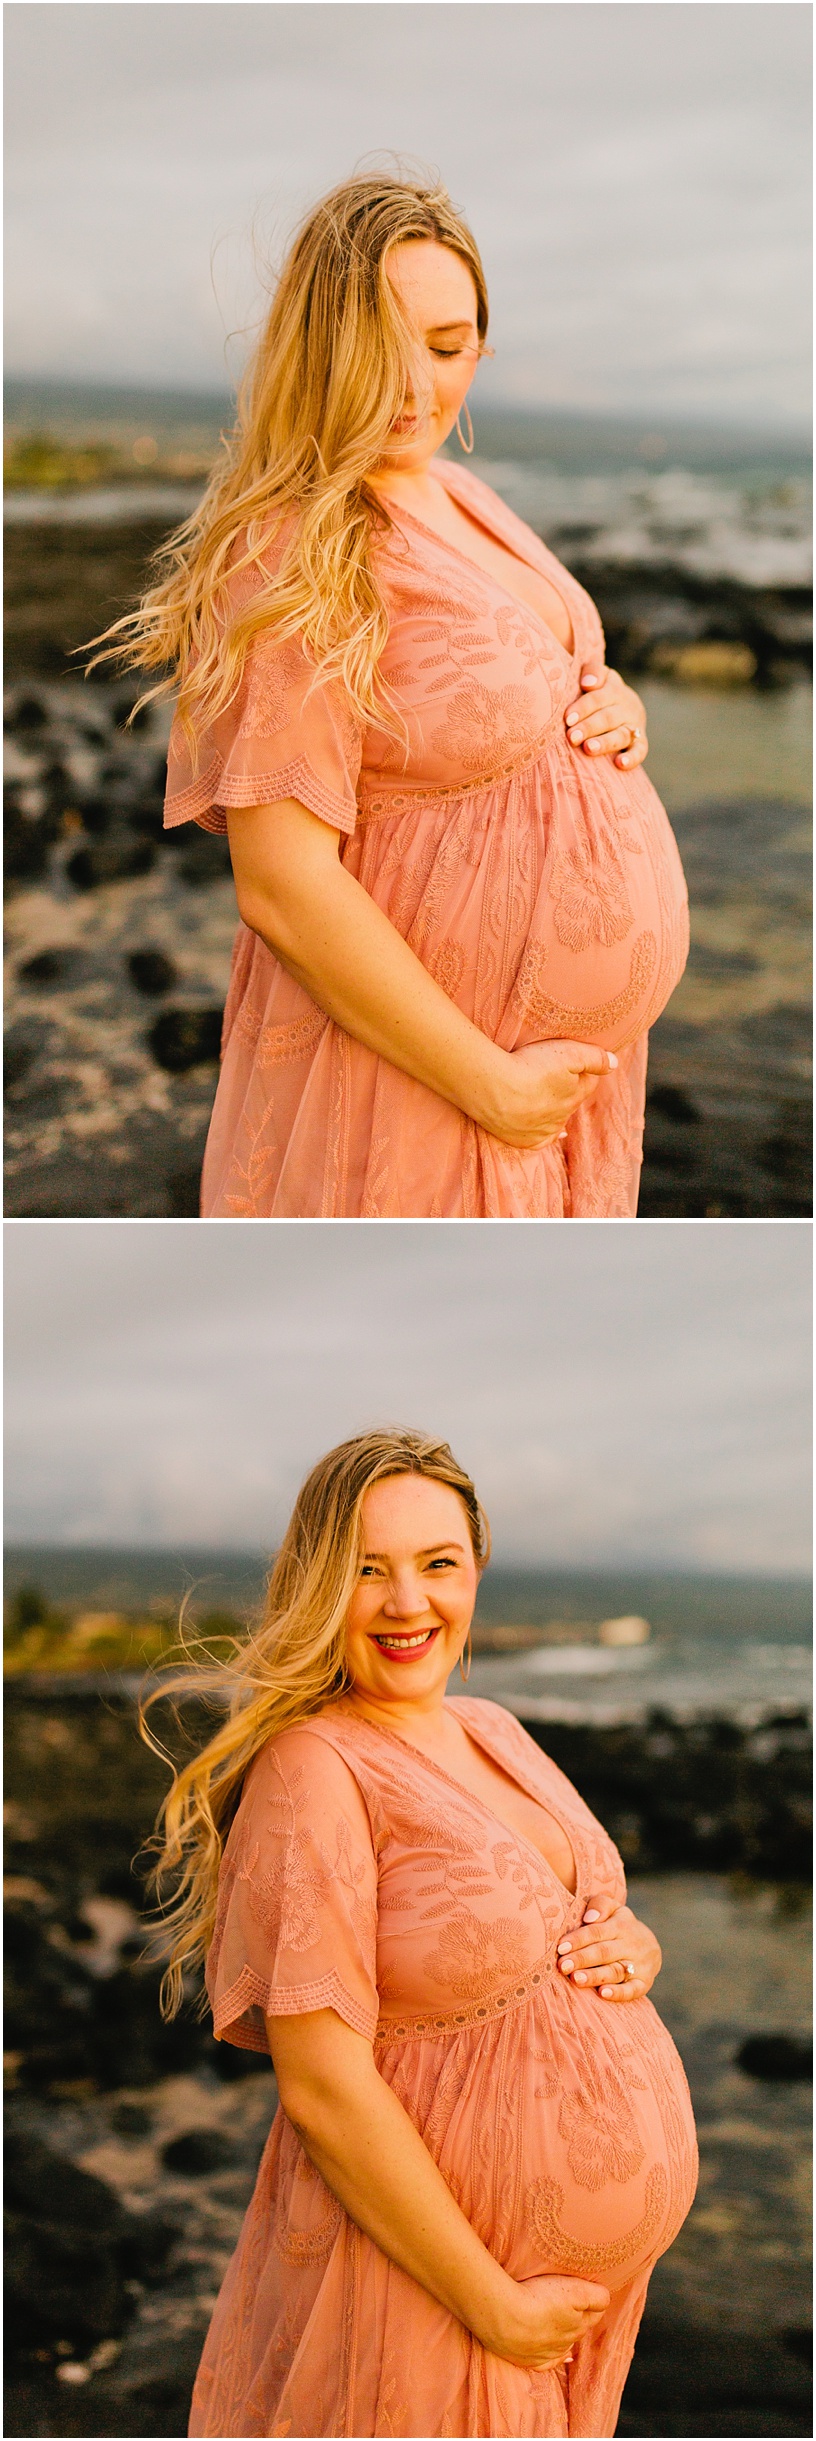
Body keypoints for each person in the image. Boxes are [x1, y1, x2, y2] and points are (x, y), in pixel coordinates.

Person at [100, 171, 689, 1218]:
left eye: (451, 345)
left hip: (550, 1094)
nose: (416, 385)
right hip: (418, 1086)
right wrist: (488, 1083)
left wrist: (614, 706)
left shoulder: (459, 491)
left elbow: (529, 673)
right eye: (382, 345)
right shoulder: (289, 548)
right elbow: (281, 884)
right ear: (321, 348)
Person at [148, 1428, 698, 2439]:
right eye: (367, 1569)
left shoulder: (491, 1725)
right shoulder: (316, 1767)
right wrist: (495, 2304)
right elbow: (321, 2084)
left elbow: (554, 1914)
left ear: (475, 1567)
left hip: (553, 2321)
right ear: (319, 1584)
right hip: (430, 2299)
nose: (409, 1603)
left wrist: (638, 1945)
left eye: (437, 1563)